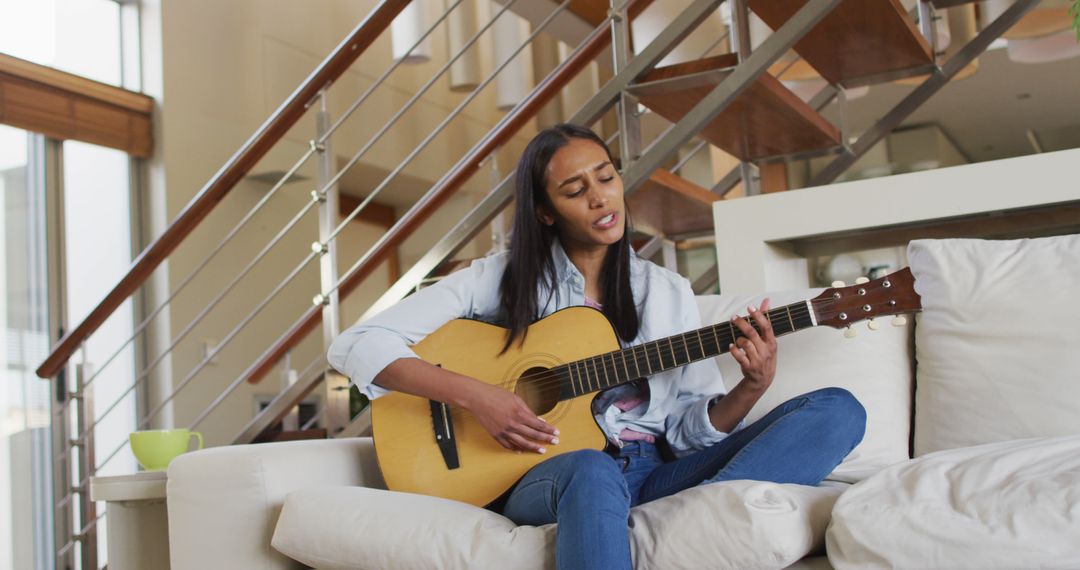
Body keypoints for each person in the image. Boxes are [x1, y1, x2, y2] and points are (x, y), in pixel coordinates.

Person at [328, 123, 866, 569]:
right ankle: (659, 517)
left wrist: (751, 387)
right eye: (574, 190)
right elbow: (358, 342)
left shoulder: (666, 291)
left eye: (605, 177)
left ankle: (680, 516)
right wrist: (478, 396)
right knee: (590, 466)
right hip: (549, 473)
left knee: (838, 410)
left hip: (654, 471)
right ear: (545, 211)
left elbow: (685, 431)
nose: (600, 197)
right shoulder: (500, 279)